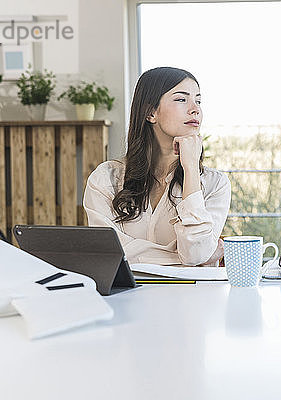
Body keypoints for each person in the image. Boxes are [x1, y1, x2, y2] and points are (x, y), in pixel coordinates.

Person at [83, 67, 231, 266]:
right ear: (150, 112)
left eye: (198, 100)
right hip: (126, 296)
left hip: (191, 297)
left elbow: (195, 254)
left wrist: (191, 169)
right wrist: (179, 258)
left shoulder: (215, 184)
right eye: (181, 99)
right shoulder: (105, 179)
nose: (195, 109)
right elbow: (109, 254)